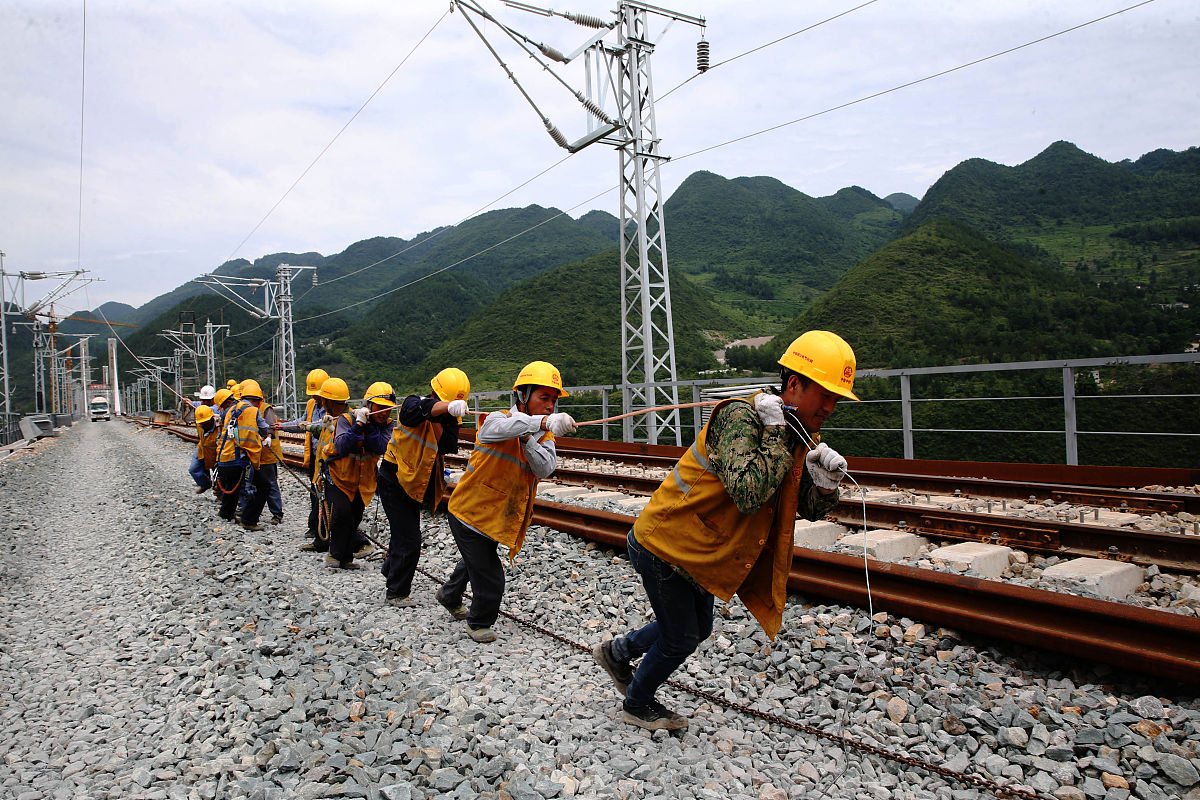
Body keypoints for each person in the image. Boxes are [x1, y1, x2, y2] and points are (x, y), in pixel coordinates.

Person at [592, 331, 859, 732]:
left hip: (700, 551)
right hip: (666, 544)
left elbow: (803, 505)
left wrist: (824, 483)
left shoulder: (800, 433)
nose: (830, 407)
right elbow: (750, 492)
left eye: (836, 398)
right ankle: (637, 702)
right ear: (793, 384)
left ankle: (617, 653)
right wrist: (773, 434)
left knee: (697, 629)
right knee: (681, 637)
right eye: (825, 394)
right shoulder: (742, 418)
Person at [437, 361, 576, 643]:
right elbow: (495, 431)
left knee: (476, 560)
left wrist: (529, 438)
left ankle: (449, 594)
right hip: (469, 512)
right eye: (544, 398)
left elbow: (544, 468)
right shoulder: (495, 419)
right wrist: (538, 424)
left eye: (553, 400)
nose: (550, 406)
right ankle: (479, 623)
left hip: (495, 515)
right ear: (523, 397)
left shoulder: (544, 436)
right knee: (490, 576)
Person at [378, 367, 470, 607]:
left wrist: (444, 417)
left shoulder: (450, 418)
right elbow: (417, 410)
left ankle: (390, 569)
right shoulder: (412, 404)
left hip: (414, 482)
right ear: (433, 393)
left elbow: (447, 445)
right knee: (409, 538)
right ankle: (396, 591)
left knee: (403, 532)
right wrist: (442, 409)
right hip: (393, 478)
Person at [318, 381, 394, 569]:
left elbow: (380, 446)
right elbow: (343, 445)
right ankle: (335, 554)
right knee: (341, 514)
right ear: (369, 405)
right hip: (339, 477)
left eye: (388, 409)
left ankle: (346, 558)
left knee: (354, 516)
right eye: (380, 407)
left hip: (364, 481)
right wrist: (358, 424)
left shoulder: (388, 426)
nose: (384, 413)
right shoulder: (347, 420)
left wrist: (365, 426)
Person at [277, 368, 329, 545]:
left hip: (329, 457)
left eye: (318, 394)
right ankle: (315, 526)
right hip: (315, 456)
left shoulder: (333, 408)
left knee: (325, 493)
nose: (315, 397)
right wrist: (282, 426)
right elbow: (301, 423)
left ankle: (322, 527)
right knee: (315, 491)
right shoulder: (311, 405)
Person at [214, 379, 272, 528]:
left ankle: (226, 514)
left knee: (232, 486)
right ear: (258, 400)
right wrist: (270, 433)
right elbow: (264, 429)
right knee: (264, 485)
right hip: (241, 458)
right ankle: (249, 520)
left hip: (225, 457)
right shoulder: (253, 411)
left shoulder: (230, 410)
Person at [243, 388, 286, 525]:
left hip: (267, 453)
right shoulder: (244, 409)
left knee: (270, 483)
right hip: (253, 453)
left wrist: (267, 436)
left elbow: (270, 428)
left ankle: (277, 513)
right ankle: (252, 511)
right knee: (253, 484)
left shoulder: (266, 409)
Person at [189, 404, 220, 494]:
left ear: (212, 418)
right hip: (202, 448)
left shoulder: (219, 427)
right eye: (202, 422)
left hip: (215, 452)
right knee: (193, 469)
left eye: (206, 421)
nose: (204, 424)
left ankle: (219, 493)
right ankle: (205, 484)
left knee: (219, 476)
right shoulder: (199, 424)